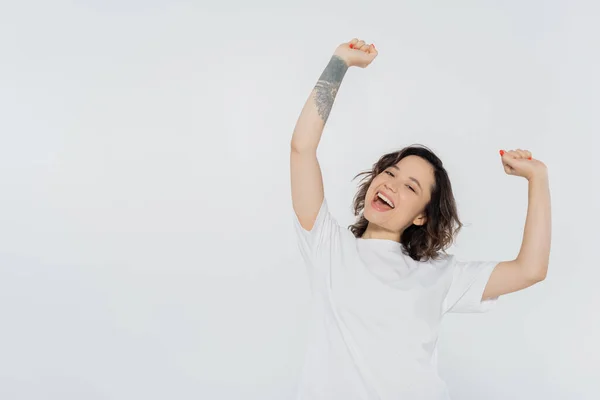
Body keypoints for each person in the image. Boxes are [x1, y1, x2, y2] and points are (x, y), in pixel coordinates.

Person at [289, 38, 552, 400]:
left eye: (411, 188)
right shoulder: (327, 247)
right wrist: (340, 62)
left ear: (420, 218)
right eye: (391, 173)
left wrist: (538, 178)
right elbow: (302, 148)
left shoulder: (438, 274)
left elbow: (530, 269)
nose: (391, 185)